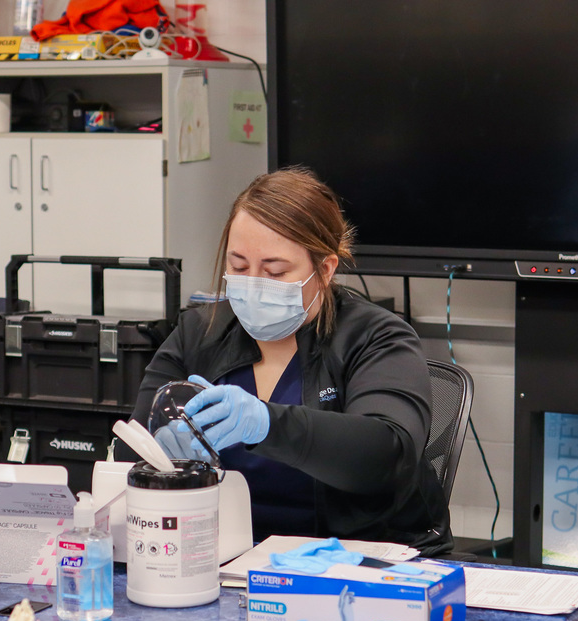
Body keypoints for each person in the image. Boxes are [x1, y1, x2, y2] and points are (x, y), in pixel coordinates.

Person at [118, 167, 452, 554]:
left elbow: (386, 456)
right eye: (239, 267)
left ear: (324, 270)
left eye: (275, 271)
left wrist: (266, 424)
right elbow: (131, 449)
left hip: (356, 561)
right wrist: (163, 453)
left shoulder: (376, 338)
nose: (253, 282)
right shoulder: (199, 333)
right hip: (225, 557)